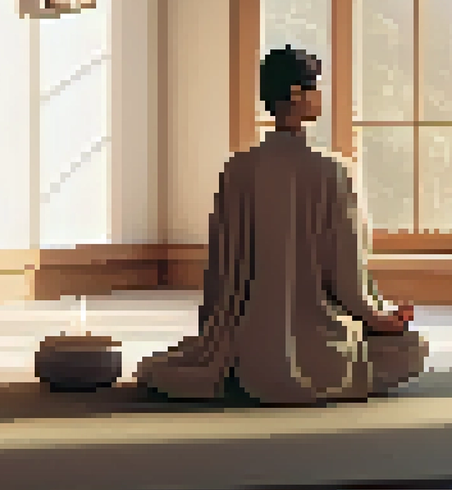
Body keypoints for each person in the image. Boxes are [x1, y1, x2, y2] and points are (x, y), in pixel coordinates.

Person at [135, 46, 427, 405]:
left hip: (244, 346)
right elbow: (348, 275)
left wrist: (217, 336)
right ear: (296, 95)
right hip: (321, 348)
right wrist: (379, 318)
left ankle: (233, 368)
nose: (321, 95)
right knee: (411, 348)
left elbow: (219, 275)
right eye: (315, 86)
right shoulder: (332, 170)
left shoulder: (237, 170)